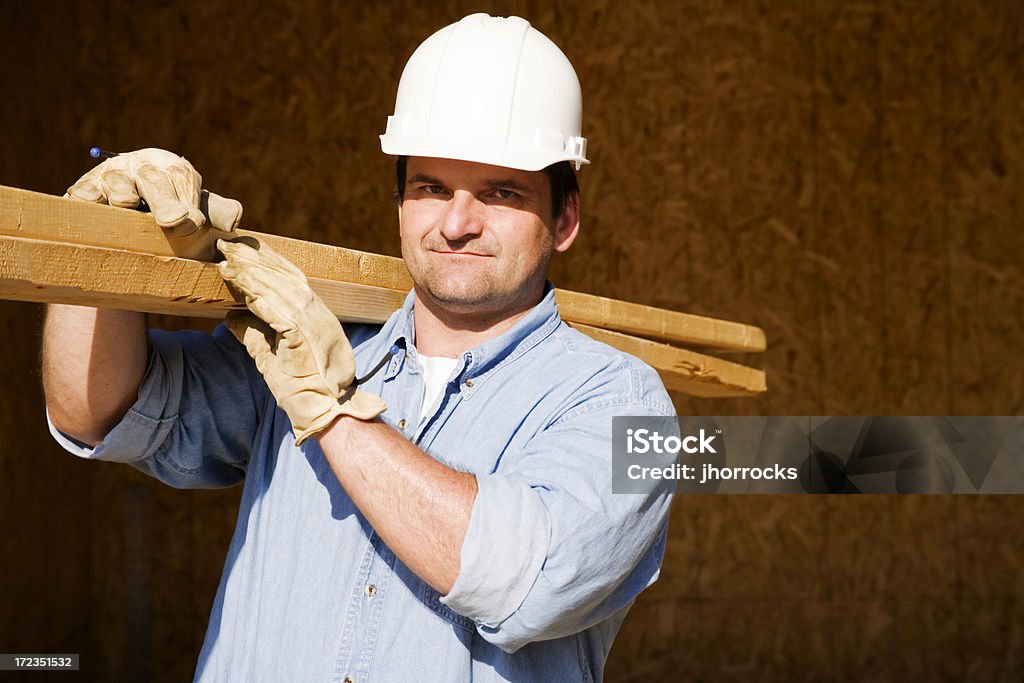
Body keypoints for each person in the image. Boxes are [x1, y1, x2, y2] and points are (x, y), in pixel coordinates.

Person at [42, 13, 675, 682]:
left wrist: (331, 409)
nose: (457, 223)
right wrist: (99, 239)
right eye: (431, 187)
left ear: (565, 218)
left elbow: (521, 577)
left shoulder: (622, 405)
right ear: (400, 203)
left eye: (501, 192)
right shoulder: (304, 344)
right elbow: (100, 412)